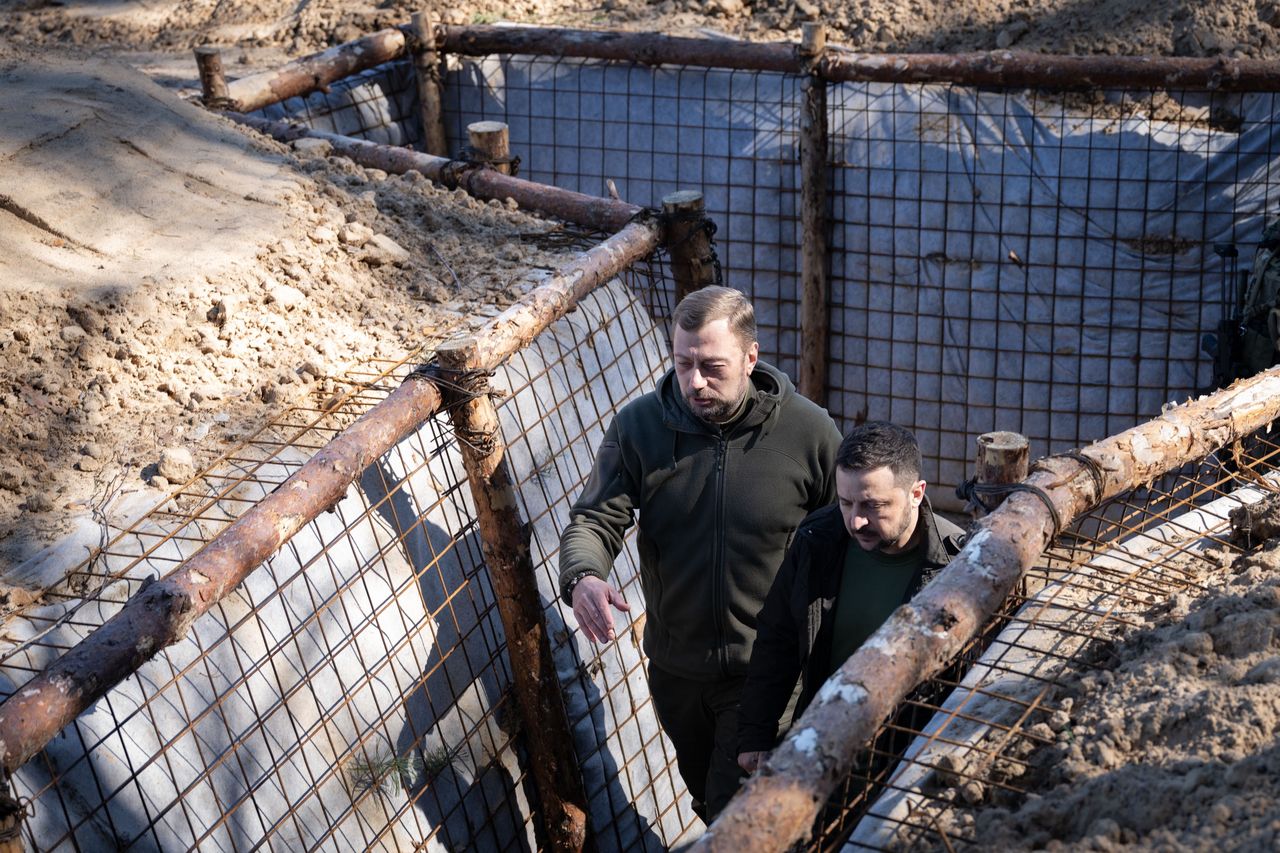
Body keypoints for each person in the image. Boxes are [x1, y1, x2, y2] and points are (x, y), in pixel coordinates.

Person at [558, 285, 841, 822]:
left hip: (765, 672)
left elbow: (845, 538)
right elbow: (595, 519)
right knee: (708, 800)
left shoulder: (809, 432)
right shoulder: (639, 427)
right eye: (682, 363)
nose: (694, 382)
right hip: (675, 671)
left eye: (712, 366)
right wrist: (583, 577)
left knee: (734, 811)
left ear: (750, 358)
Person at [736, 421, 965, 774]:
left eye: (873, 506)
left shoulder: (957, 566)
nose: (856, 521)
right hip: (824, 746)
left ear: (916, 493)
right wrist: (756, 735)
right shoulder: (818, 539)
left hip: (908, 758)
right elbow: (777, 639)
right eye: (846, 503)